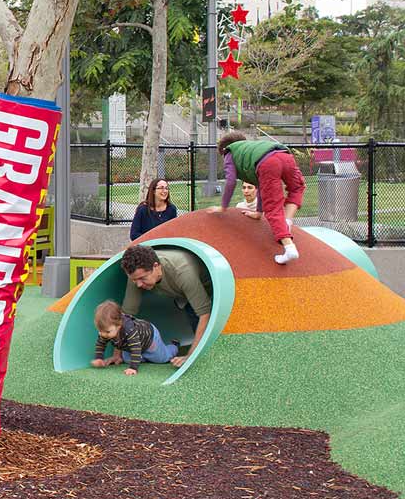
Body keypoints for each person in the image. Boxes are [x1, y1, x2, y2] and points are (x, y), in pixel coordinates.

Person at [217, 129, 304, 264]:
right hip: (285, 155)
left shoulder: (229, 152)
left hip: (268, 163)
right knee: (297, 187)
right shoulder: (251, 150)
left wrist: (223, 206)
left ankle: (289, 248)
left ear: (224, 149)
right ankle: (287, 221)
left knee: (273, 208)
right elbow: (261, 185)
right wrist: (258, 212)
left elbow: (230, 181)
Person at [116, 243, 212, 348]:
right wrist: (117, 354)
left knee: (202, 328)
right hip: (183, 294)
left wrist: (190, 356)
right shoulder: (137, 274)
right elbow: (126, 316)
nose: (138, 284)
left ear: (156, 266)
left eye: (142, 278)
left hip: (211, 288)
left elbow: (205, 313)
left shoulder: (182, 272)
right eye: (134, 279)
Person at [91, 300, 180, 375]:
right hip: (132, 344)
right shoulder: (105, 330)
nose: (103, 334)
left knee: (162, 358)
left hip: (149, 338)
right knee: (127, 360)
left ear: (119, 325)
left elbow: (136, 348)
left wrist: (133, 368)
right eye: (100, 330)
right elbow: (100, 344)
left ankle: (174, 346)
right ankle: (143, 356)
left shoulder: (129, 329)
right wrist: (99, 358)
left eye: (107, 332)